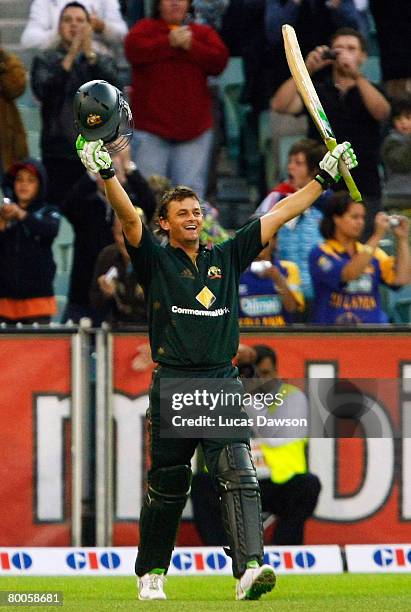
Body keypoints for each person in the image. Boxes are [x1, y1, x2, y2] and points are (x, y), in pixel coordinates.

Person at [75, 82, 356, 600]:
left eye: (196, 211)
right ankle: (151, 574)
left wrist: (324, 176)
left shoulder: (226, 256)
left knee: (239, 475)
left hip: (221, 381)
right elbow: (128, 215)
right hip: (176, 382)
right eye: (181, 213)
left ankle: (249, 569)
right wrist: (108, 173)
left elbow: (280, 212)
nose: (192, 217)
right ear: (165, 223)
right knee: (168, 487)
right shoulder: (154, 258)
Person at [192, 344, 321, 546]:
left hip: (276, 483)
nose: (259, 379)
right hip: (233, 482)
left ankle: (283, 550)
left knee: (309, 485)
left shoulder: (292, 397)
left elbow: (272, 435)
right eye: (252, 374)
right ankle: (222, 553)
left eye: (265, 373)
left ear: (276, 373)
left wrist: (247, 397)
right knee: (200, 484)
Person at [272, 27, 391, 238]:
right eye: (338, 49)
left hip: (364, 185)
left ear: (363, 56)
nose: (344, 53)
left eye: (351, 49)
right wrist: (304, 70)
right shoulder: (316, 91)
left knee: (362, 250)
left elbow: (382, 112)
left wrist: (356, 75)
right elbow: (280, 105)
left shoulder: (371, 89)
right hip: (323, 185)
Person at [124, 0, 229, 199]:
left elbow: (219, 61)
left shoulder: (201, 34)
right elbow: (132, 50)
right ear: (158, 4)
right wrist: (168, 43)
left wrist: (192, 46)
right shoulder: (144, 29)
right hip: (150, 131)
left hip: (194, 131)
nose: (174, 3)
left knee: (189, 199)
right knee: (148, 196)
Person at [30, 2, 118, 208]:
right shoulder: (45, 60)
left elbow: (113, 93)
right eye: (67, 20)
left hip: (95, 155)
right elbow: (44, 91)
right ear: (59, 26)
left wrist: (89, 55)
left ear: (89, 26)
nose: (74, 26)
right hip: (57, 153)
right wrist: (70, 57)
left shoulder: (100, 61)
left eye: (80, 21)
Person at [309, 191, 411, 324]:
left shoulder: (373, 252)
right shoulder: (320, 253)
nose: (360, 222)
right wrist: (377, 236)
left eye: (362, 217)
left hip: (373, 335)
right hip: (333, 336)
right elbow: (349, 273)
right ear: (336, 219)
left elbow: (401, 280)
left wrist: (402, 239)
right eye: (354, 217)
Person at [252, 139, 330, 313]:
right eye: (290, 162)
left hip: (320, 291)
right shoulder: (277, 198)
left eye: (298, 163)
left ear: (313, 169)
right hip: (285, 287)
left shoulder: (328, 203)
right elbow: (256, 231)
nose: (290, 168)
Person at [0, 159, 60, 324]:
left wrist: (21, 214)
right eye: (19, 179)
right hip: (4, 305)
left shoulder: (49, 211)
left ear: (40, 185)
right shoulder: (4, 214)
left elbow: (50, 230)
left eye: (30, 180)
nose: (23, 185)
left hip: (38, 305)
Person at [89, 215, 147, 325]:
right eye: (121, 234)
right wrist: (106, 295)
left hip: (150, 331)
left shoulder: (157, 258)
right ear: (113, 233)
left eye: (132, 233)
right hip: (116, 330)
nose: (127, 241)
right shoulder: (107, 256)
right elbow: (94, 304)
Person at [238, 235, 304, 326]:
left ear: (275, 241)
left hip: (279, 335)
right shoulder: (235, 271)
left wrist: (279, 280)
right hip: (246, 335)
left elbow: (292, 309)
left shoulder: (288, 268)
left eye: (264, 239)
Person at [21, 0, 127, 53]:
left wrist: (102, 27)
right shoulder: (45, 1)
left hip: (97, 66)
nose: (74, 24)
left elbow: (124, 35)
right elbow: (28, 40)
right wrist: (60, 33)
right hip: (58, 66)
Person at [0, 47, 28, 180]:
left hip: (7, 146)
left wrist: (4, 59)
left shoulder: (7, 61)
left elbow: (16, 88)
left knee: (12, 191)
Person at [381, 97, 411, 210]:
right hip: (397, 199)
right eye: (398, 118)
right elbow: (401, 163)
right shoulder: (391, 141)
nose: (403, 122)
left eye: (408, 117)